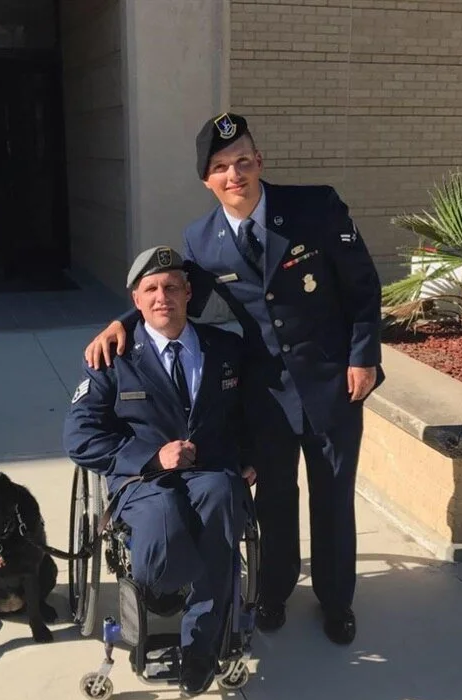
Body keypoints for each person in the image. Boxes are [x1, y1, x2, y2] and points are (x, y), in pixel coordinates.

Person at [84, 113, 384, 645]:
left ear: (259, 162)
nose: (234, 174)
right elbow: (174, 297)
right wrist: (123, 321)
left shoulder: (316, 207)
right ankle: (275, 589)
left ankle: (338, 601)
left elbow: (362, 286)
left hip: (332, 383)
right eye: (221, 167)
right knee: (273, 497)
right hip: (264, 392)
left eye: (242, 161)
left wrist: (364, 356)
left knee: (332, 497)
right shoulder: (201, 238)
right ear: (207, 180)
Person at [63, 245, 256, 697]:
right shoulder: (113, 358)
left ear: (190, 293)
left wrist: (253, 456)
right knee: (170, 530)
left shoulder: (227, 349)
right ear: (136, 300)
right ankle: (175, 593)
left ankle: (201, 643)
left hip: (210, 472)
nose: (161, 296)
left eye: (171, 286)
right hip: (144, 482)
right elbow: (79, 438)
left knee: (223, 494)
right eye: (150, 289)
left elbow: (255, 414)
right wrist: (151, 458)